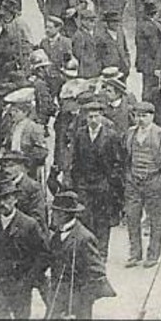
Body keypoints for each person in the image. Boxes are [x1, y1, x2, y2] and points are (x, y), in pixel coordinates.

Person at [59, 92, 127, 256]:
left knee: (102, 221)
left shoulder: (111, 136)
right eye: (90, 117)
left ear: (102, 117)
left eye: (96, 116)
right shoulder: (80, 134)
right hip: (84, 185)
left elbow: (118, 162)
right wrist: (74, 182)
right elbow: (75, 160)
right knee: (85, 218)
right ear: (86, 118)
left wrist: (112, 183)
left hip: (103, 185)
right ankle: (88, 252)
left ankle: (102, 254)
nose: (93, 120)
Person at [0, 176, 49, 319]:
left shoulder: (29, 225)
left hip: (20, 286)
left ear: (15, 199)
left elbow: (43, 255)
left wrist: (28, 279)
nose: (3, 203)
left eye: (7, 198)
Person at [42, 190, 116, 319]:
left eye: (54, 212)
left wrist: (82, 300)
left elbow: (97, 274)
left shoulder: (84, 238)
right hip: (57, 297)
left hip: (77, 302)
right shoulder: (56, 236)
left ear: (63, 214)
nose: (52, 215)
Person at [122, 101, 161, 267]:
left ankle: (153, 254)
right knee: (132, 218)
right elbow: (125, 158)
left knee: (155, 220)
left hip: (154, 181)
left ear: (152, 116)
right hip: (134, 183)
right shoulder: (130, 133)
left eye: (144, 116)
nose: (140, 119)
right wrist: (128, 177)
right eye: (138, 115)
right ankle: (135, 253)